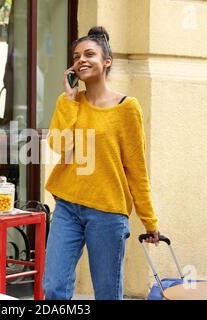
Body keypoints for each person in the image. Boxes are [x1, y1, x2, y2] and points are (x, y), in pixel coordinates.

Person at [42, 26, 160, 300]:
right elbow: (59, 146)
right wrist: (69, 102)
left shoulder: (127, 108)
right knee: (54, 288)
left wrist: (149, 220)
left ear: (106, 61)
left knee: (107, 293)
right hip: (67, 207)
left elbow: (137, 168)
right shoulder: (69, 101)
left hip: (108, 212)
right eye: (76, 56)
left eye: (89, 54)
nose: (81, 59)